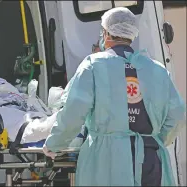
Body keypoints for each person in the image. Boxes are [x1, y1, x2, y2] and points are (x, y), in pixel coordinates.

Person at [42, 7, 186, 186]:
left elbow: (73, 112)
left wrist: (54, 143)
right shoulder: (157, 70)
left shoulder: (93, 65)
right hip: (150, 160)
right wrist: (154, 139)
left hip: (107, 161)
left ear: (106, 33)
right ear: (131, 34)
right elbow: (178, 113)